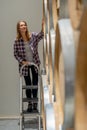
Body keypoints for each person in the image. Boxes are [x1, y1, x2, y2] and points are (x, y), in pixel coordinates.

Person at [14, 19, 44, 112]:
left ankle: (35, 103)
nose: (23, 27)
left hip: (34, 63)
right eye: (21, 25)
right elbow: (15, 54)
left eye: (25, 25)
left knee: (35, 84)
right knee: (28, 84)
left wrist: (43, 26)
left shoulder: (33, 36)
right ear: (18, 28)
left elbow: (41, 35)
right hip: (25, 65)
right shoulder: (17, 41)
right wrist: (22, 61)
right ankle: (30, 104)